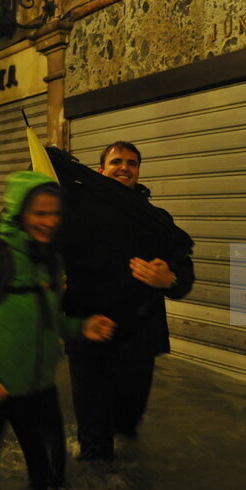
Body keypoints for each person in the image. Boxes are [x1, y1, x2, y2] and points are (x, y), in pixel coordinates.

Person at [0, 171, 116, 490]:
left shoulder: (50, 262)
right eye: (39, 213)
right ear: (19, 213)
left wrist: (82, 327)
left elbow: (49, 320)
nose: (49, 222)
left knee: (53, 485)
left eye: (55, 213)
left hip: (39, 392)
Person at [64, 141, 195, 461]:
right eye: (116, 162)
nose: (124, 167)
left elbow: (183, 269)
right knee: (95, 441)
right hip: (89, 336)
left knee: (127, 427)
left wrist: (170, 279)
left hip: (140, 338)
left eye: (132, 163)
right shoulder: (75, 210)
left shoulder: (156, 220)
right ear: (101, 170)